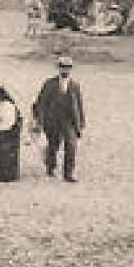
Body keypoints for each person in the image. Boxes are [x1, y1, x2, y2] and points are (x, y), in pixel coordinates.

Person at [32, 55, 85, 183]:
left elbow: (79, 105)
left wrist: (81, 122)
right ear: (58, 68)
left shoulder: (75, 86)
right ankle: (51, 166)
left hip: (69, 120)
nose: (65, 70)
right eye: (63, 67)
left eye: (68, 68)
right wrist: (39, 119)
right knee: (53, 145)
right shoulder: (49, 84)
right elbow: (40, 103)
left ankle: (68, 173)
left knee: (71, 146)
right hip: (53, 120)